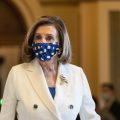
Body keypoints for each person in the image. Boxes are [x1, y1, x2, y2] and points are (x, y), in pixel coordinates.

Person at [0, 16, 100, 120]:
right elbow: (5, 117)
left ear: (60, 44)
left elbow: (90, 117)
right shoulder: (17, 73)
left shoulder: (77, 74)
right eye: (38, 37)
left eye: (49, 38)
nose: (42, 42)